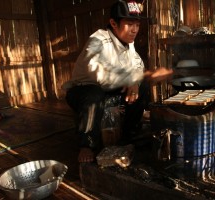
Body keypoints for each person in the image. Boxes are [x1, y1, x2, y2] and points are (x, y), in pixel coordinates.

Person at [63, 0, 173, 163]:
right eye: (130, 24)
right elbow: (97, 72)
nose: (135, 29)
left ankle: (128, 134)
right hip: (83, 91)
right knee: (94, 95)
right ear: (113, 23)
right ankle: (87, 144)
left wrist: (135, 81)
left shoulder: (129, 44)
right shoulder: (97, 40)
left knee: (141, 87)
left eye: (137, 24)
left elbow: (138, 67)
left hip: (108, 90)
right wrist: (130, 79)